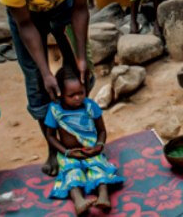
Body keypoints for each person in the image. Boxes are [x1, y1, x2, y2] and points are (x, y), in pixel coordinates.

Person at [0, 0, 94, 177]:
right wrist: (45, 72)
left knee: (81, 74)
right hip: (27, 16)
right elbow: (25, 24)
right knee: (37, 82)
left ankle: (77, 135)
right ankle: (54, 148)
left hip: (64, 8)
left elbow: (80, 9)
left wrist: (81, 56)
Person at [45, 67, 124, 214]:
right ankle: (79, 201)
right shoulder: (55, 110)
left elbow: (101, 130)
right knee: (72, 173)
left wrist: (99, 146)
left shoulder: (90, 106)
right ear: (60, 93)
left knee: (98, 169)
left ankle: (103, 196)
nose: (77, 97)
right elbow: (50, 136)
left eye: (81, 93)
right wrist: (67, 152)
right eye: (71, 95)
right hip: (69, 153)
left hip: (91, 150)